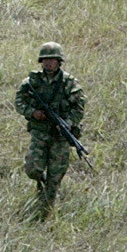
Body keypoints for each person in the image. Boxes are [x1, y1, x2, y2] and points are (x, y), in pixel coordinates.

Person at [14, 43, 86, 221]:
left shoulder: (69, 83)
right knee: (32, 169)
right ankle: (41, 183)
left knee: (56, 175)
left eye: (52, 59)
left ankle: (45, 212)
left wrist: (68, 123)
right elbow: (19, 101)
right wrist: (32, 113)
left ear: (59, 61)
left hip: (60, 136)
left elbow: (79, 106)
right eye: (45, 59)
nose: (49, 63)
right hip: (40, 133)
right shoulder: (32, 81)